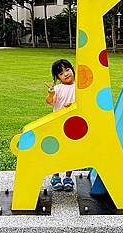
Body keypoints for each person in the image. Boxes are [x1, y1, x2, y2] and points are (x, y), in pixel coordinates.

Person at [45, 59, 76, 191]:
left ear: (72, 69)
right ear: (57, 77)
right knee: (56, 152)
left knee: (71, 152)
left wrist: (73, 106)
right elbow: (49, 102)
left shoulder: (80, 88)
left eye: (67, 70)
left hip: (73, 126)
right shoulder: (57, 89)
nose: (66, 74)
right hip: (58, 126)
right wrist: (51, 94)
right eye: (61, 73)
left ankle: (68, 177)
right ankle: (55, 176)